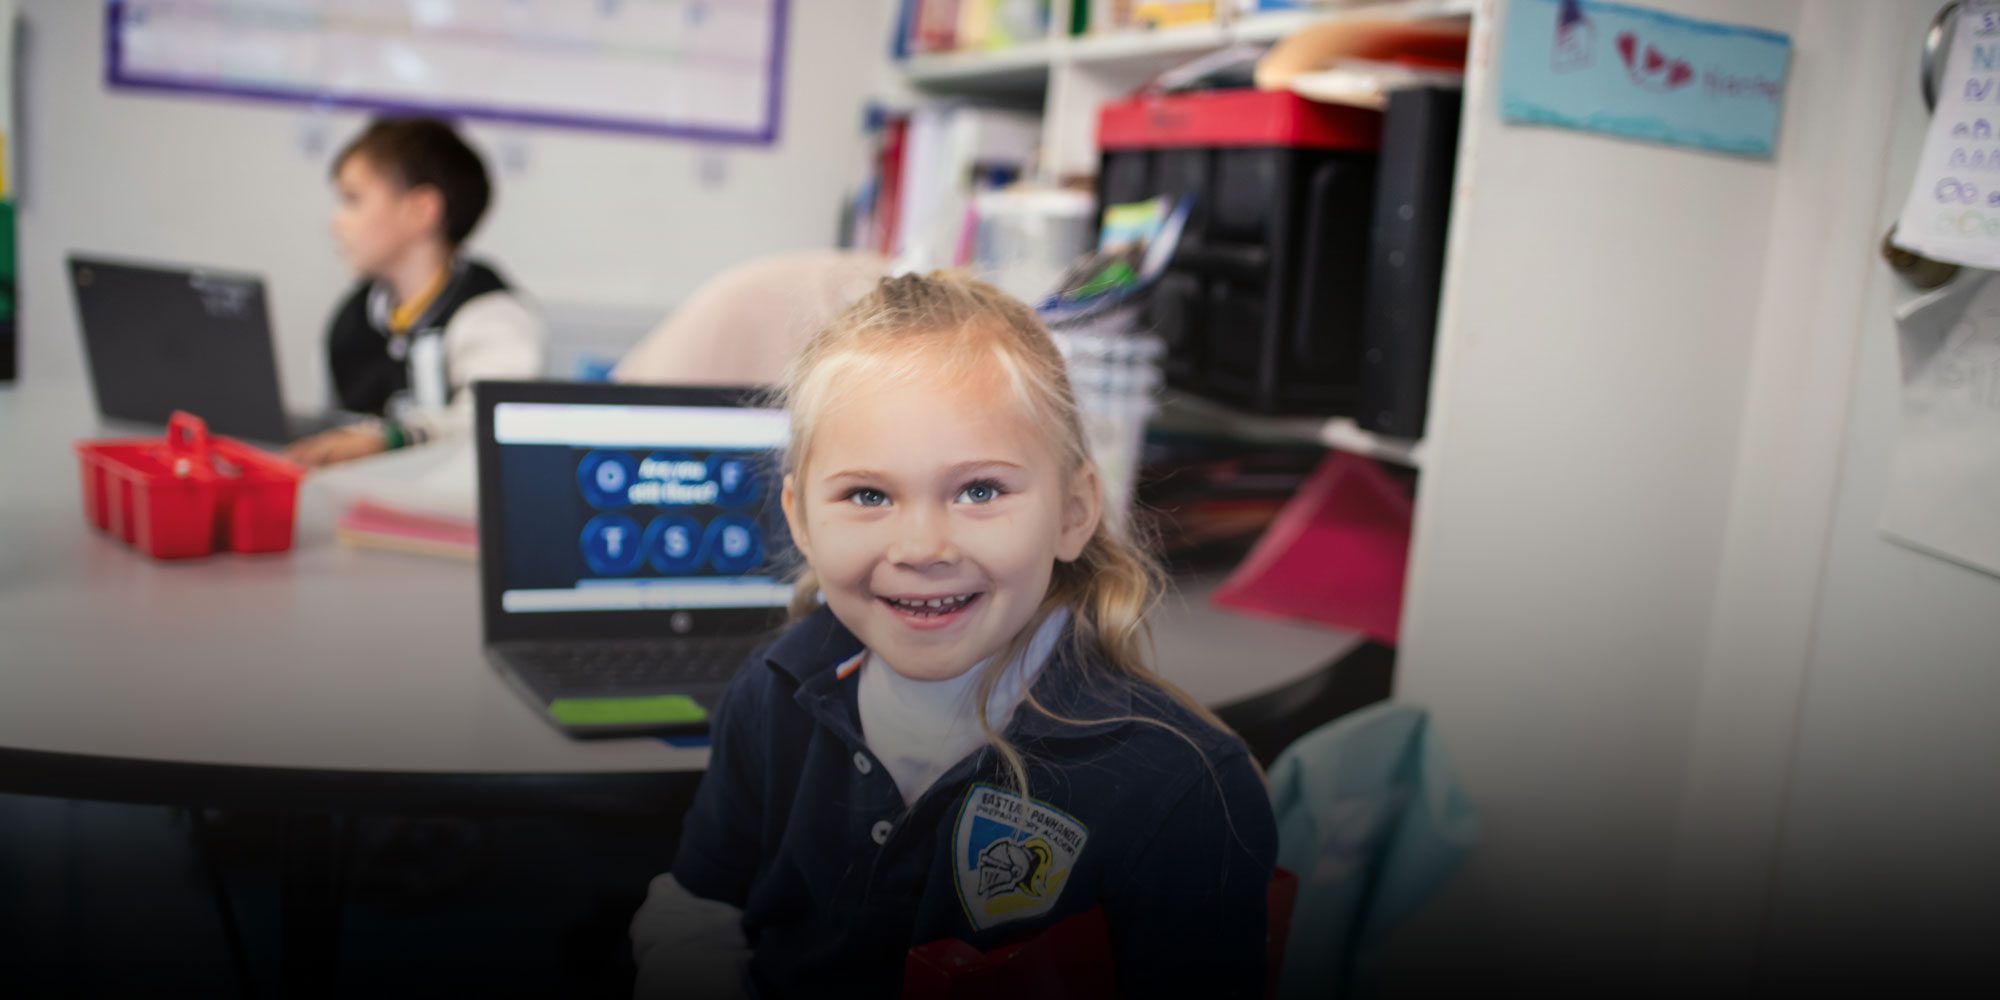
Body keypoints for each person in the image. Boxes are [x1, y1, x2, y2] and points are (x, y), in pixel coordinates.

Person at [629, 273, 1276, 998]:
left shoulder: (1183, 790)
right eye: (868, 495)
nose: (922, 546)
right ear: (802, 519)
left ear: (1072, 511)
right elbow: (701, 908)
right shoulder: (773, 690)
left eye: (980, 491)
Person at [286, 117, 543, 467]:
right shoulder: (354, 315)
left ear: (421, 211)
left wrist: (393, 438)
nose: (337, 221)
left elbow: (490, 421)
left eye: (353, 199)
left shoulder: (493, 315)